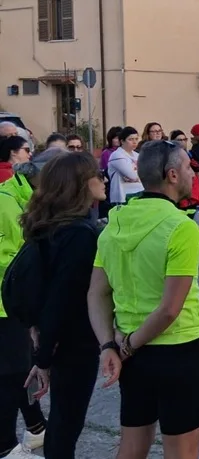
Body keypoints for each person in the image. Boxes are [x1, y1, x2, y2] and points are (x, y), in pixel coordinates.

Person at [87, 140, 199, 458]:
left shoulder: (114, 222)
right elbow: (170, 309)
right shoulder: (181, 227)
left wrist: (109, 346)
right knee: (182, 451)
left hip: (131, 352)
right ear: (171, 175)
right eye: (187, 167)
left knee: (131, 447)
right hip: (176, 350)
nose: (191, 173)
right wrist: (127, 346)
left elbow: (97, 292)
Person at [20, 152, 106, 457]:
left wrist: (39, 338)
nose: (103, 178)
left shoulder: (51, 227)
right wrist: (43, 358)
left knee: (62, 420)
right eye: (97, 174)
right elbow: (63, 297)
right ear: (81, 185)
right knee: (66, 423)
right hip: (73, 341)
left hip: (53, 336)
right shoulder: (80, 235)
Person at [0, 151, 63, 459]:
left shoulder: (31, 199)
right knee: (10, 374)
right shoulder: (5, 200)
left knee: (22, 369)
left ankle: (37, 428)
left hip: (19, 302)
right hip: (3, 303)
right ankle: (4, 446)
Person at [106, 126, 142, 206]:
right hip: (123, 196)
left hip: (140, 192)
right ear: (122, 141)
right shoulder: (117, 155)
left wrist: (138, 175)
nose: (134, 142)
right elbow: (132, 175)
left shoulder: (138, 155)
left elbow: (146, 173)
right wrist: (138, 175)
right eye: (131, 139)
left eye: (136, 139)